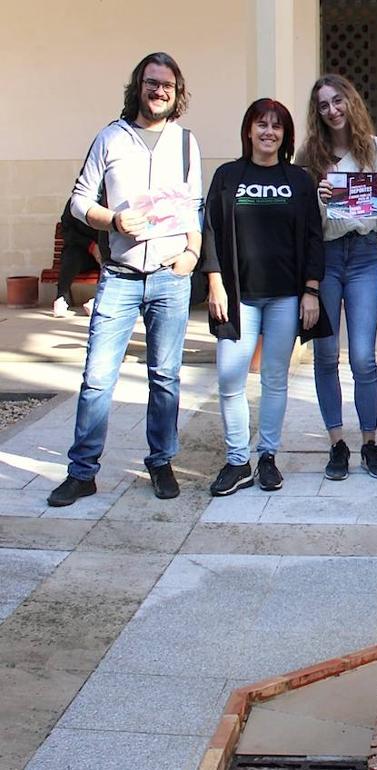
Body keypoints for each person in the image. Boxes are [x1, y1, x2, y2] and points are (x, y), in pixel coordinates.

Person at [48, 52, 202, 508]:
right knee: (97, 377)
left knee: (166, 377)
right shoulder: (110, 138)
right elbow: (78, 201)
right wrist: (113, 220)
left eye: (168, 86)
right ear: (138, 86)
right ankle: (82, 472)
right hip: (119, 276)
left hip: (170, 278)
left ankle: (160, 462)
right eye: (152, 83)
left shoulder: (185, 142)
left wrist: (192, 253)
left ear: (177, 94)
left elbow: (192, 205)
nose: (159, 92)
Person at [200, 98, 328, 496]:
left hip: (285, 297)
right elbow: (211, 232)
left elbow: (313, 238)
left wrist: (311, 290)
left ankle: (267, 456)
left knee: (274, 379)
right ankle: (238, 460)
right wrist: (215, 283)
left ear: (286, 135)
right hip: (239, 297)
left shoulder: (298, 180)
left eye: (277, 126)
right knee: (229, 377)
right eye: (261, 124)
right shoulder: (227, 176)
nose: (268, 132)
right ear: (249, 130)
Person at [296, 75, 377, 481]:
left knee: (362, 357)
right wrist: (320, 203)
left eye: (338, 101)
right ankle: (337, 442)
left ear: (350, 102)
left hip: (364, 257)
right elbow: (307, 225)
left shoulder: (373, 148)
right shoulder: (308, 155)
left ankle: (370, 443)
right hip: (326, 259)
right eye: (323, 105)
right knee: (324, 355)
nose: (332, 110)